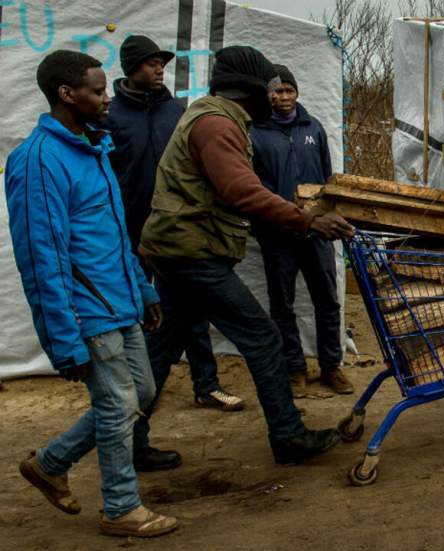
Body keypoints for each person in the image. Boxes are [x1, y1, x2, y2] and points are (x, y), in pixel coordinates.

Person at [135, 46, 355, 465]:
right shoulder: (217, 124)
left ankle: (129, 439)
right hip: (193, 253)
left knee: (159, 350)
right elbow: (240, 190)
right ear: (251, 89)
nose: (273, 98)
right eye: (268, 89)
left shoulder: (214, 117)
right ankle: (288, 436)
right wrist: (306, 221)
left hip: (179, 249)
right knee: (263, 336)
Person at [6, 50, 178, 537]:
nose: (107, 98)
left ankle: (49, 463)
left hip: (119, 298)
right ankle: (121, 507)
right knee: (119, 405)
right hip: (86, 311)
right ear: (67, 94)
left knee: (140, 392)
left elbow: (112, 232)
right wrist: (64, 338)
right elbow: (43, 258)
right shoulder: (38, 160)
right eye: (98, 91)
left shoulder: (91, 146)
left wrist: (142, 293)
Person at [104, 34, 244, 420]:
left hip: (178, 228)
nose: (159, 69)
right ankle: (138, 390)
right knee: (137, 309)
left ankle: (207, 384)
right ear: (131, 68)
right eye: (151, 63)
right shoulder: (111, 117)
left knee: (190, 307)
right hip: (132, 230)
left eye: (161, 63)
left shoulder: (178, 111)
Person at [250, 64, 352, 397]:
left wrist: (326, 217)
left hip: (316, 231)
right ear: (268, 94)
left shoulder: (314, 128)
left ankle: (331, 367)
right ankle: (295, 369)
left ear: (297, 93)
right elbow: (252, 186)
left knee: (327, 300)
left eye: (288, 90)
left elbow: (326, 177)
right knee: (282, 305)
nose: (283, 97)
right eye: (277, 91)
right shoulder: (256, 132)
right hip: (277, 233)